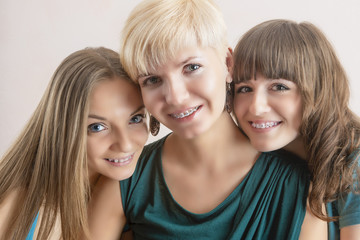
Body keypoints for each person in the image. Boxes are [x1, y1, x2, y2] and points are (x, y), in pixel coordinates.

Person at [112, 0, 325, 239]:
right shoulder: (127, 175)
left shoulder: (301, 187)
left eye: (191, 67)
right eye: (152, 80)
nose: (176, 97)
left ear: (227, 63)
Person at [0, 47, 148, 240]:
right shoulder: (17, 208)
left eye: (135, 119)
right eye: (97, 127)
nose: (126, 144)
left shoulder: (135, 193)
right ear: (65, 129)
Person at [232, 19, 360, 240]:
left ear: (318, 89)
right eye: (244, 88)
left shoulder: (353, 164)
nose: (256, 106)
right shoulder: (258, 161)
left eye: (279, 87)